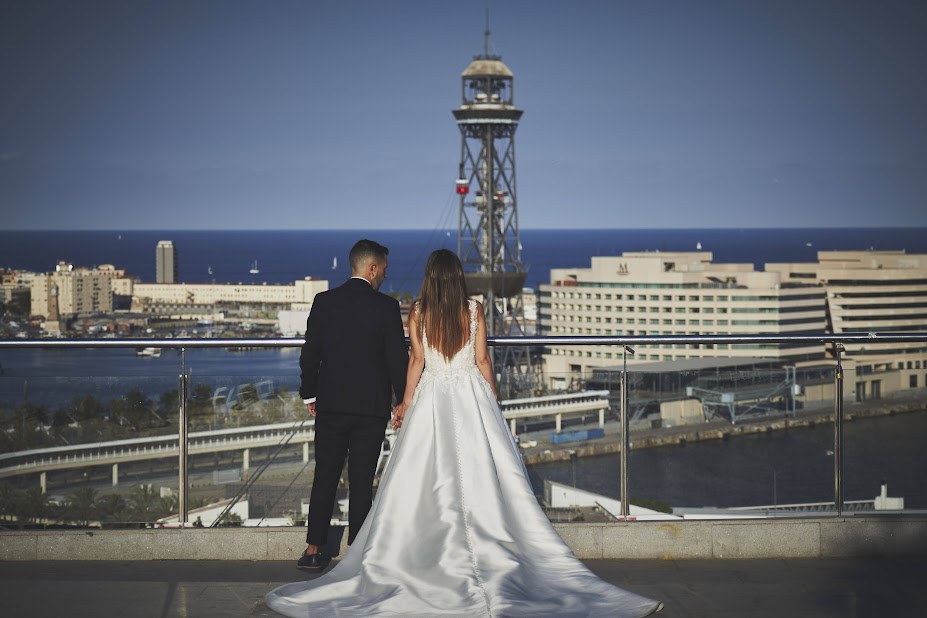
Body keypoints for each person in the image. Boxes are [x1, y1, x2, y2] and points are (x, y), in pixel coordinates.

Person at [268, 249, 662, 617]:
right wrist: (493, 397)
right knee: (479, 470)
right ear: (457, 277)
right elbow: (482, 359)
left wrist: (404, 402)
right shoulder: (473, 308)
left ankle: (339, 548)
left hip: (425, 396)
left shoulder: (416, 310)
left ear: (429, 278)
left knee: (412, 474)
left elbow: (416, 361)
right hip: (468, 395)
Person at [295, 239, 408, 572]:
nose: (385, 276)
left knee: (325, 475)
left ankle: (315, 549)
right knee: (362, 481)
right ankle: (358, 552)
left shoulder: (324, 301)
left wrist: (310, 394)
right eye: (384, 269)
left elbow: (309, 354)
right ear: (372, 268)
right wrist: (402, 401)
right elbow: (396, 362)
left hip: (330, 404)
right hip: (371, 408)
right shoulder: (387, 307)